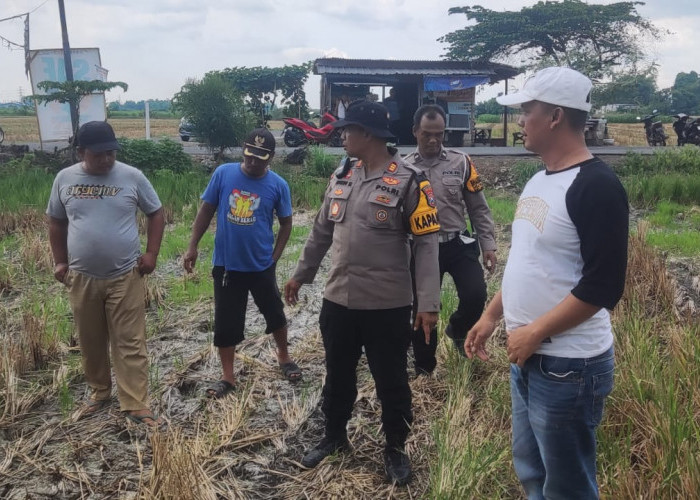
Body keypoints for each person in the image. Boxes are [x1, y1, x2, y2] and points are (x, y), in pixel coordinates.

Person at [466, 67, 629, 499]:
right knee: (532, 472)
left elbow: (603, 287)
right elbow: (526, 263)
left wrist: (535, 332)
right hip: (529, 354)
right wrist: (490, 316)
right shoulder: (539, 180)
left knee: (569, 485)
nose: (520, 120)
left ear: (555, 116)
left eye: (527, 110)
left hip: (568, 367)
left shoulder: (597, 186)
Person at [284, 100, 440, 485]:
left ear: (367, 135)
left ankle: (395, 449)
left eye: (347, 130)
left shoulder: (410, 180)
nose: (341, 135)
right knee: (337, 375)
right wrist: (300, 276)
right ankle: (334, 436)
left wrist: (429, 304)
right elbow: (321, 232)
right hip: (338, 301)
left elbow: (426, 244)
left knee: (391, 381)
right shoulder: (342, 175)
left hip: (387, 305)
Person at [47, 121, 165, 427]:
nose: (106, 159)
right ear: (80, 151)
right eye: (99, 153)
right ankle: (99, 392)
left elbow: (156, 212)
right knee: (90, 340)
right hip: (82, 277)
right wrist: (60, 262)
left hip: (126, 274)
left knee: (129, 341)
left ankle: (136, 403)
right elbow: (56, 222)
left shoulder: (132, 176)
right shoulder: (65, 179)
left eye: (111, 152)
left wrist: (151, 253)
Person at [183, 128, 299, 399]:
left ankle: (284, 356)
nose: (253, 162)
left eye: (260, 158)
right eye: (249, 156)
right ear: (243, 151)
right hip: (227, 266)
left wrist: (274, 258)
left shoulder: (278, 185)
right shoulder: (223, 174)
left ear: (270, 158)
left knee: (274, 313)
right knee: (226, 322)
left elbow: (286, 223)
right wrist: (192, 246)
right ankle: (228, 376)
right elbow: (206, 210)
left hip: (260, 265)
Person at [404, 104, 497, 376]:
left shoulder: (461, 162)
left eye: (439, 134)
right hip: (420, 248)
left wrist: (488, 244)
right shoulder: (403, 168)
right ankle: (424, 367)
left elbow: (478, 207)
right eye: (426, 134)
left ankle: (457, 329)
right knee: (422, 309)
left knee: (476, 293)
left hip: (457, 243)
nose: (433, 140)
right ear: (415, 132)